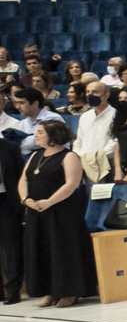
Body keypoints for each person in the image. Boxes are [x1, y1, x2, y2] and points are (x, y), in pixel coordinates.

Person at [18, 118, 93, 308]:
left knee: (63, 251)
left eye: (41, 132)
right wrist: (26, 199)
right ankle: (50, 290)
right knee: (42, 249)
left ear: (54, 136)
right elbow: (24, 180)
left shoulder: (69, 156)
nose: (36, 135)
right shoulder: (36, 156)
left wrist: (49, 202)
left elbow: (71, 184)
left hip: (62, 211)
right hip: (37, 210)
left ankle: (70, 291)